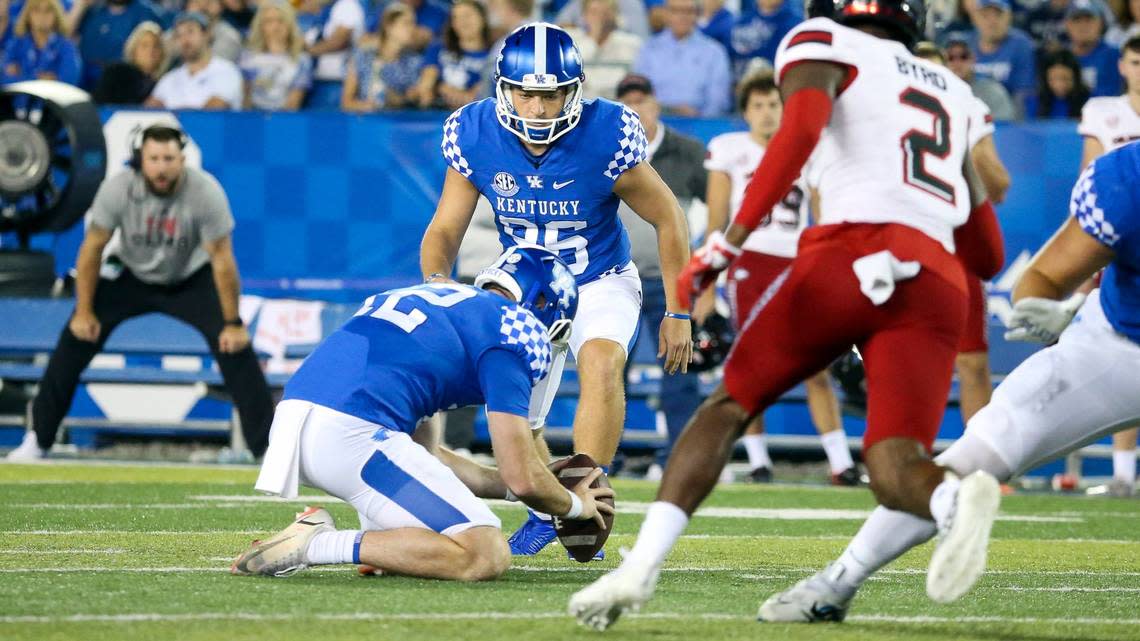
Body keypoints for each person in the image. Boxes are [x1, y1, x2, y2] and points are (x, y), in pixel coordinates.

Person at [569, 0, 1006, 628]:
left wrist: (725, 243)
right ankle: (950, 500)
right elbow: (987, 253)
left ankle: (637, 572)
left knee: (729, 404)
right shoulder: (954, 94)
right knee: (893, 466)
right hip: (935, 280)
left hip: (850, 252)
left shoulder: (824, 41)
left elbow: (799, 130)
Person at [752, 139, 1140, 623]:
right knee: (978, 455)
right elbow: (1040, 278)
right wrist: (1048, 309)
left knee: (972, 456)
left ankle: (836, 583)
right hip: (1120, 348)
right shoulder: (1129, 177)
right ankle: (838, 581)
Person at [419, 23, 692, 558]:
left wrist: (679, 309)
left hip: (600, 277)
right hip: (525, 281)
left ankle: (588, 500)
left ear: (575, 90)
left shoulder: (607, 131)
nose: (540, 108)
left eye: (552, 94)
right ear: (504, 88)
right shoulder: (473, 132)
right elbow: (445, 228)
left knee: (601, 361)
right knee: (522, 411)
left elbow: (670, 218)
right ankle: (547, 504)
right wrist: (436, 287)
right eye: (528, 93)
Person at [231, 246, 616, 581]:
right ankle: (316, 544)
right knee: (484, 552)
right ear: (547, 307)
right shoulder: (514, 329)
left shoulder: (440, 299)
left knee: (425, 546)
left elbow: (426, 454)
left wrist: (515, 485)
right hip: (353, 432)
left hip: (303, 418)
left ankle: (376, 546)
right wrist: (575, 505)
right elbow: (523, 475)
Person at [5, 125, 274, 462]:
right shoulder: (118, 189)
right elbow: (92, 250)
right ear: (139, 160)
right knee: (73, 340)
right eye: (154, 159)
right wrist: (85, 311)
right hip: (130, 275)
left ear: (182, 160)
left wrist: (233, 322)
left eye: (169, 158)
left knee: (236, 346)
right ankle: (38, 440)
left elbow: (222, 259)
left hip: (189, 276)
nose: (162, 167)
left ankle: (266, 450)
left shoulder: (206, 193)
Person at [702, 70, 857, 485]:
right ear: (745, 112)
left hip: (798, 261)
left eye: (774, 104)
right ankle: (757, 461)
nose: (767, 113)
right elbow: (717, 220)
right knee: (754, 361)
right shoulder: (728, 149)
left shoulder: (810, 149)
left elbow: (823, 217)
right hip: (750, 259)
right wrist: (706, 281)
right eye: (758, 105)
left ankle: (841, 463)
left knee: (817, 365)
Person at [612, 73, 707, 482]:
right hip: (615, 278)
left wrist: (702, 261)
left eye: (643, 101)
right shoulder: (607, 149)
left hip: (671, 279)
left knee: (679, 370)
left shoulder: (687, 152)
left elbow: (716, 207)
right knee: (607, 369)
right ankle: (603, 455)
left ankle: (679, 458)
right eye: (627, 103)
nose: (637, 110)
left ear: (656, 105)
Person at [915, 41, 1012, 429]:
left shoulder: (966, 106)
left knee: (971, 357)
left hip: (954, 234)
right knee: (901, 351)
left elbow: (997, 184)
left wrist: (975, 158)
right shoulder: (881, 102)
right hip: (906, 230)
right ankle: (901, 456)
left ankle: (980, 461)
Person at [1077, 34, 1140, 495]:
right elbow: (1090, 176)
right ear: (1122, 64)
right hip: (1121, 235)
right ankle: (1122, 472)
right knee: (1124, 349)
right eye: (1136, 61)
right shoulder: (1103, 109)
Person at [632, 0, 732, 116]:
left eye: (688, 11)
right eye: (675, 11)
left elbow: (718, 101)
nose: (682, 16)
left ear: (697, 15)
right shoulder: (648, 49)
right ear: (666, 14)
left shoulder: (715, 52)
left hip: (700, 123)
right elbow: (638, 92)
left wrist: (701, 119)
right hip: (655, 120)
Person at [144, 11, 242, 109]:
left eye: (190, 32)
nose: (185, 40)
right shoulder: (170, 78)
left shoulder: (226, 71)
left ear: (206, 34)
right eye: (179, 35)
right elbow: (148, 112)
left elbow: (213, 111)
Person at [341, 2, 424, 111]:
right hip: (365, 122)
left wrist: (400, 100)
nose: (413, 28)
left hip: (399, 123)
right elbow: (347, 102)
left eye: (414, 23)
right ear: (389, 26)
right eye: (406, 23)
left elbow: (419, 100)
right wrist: (369, 107)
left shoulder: (415, 61)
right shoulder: (362, 56)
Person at [68, 0, 165, 89]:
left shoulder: (145, 12)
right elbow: (65, 35)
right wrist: (80, 5)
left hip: (124, 80)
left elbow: (162, 44)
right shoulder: (93, 10)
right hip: (85, 76)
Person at [416, 0, 492, 110]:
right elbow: (426, 85)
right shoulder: (438, 48)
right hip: (436, 116)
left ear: (483, 18)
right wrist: (437, 88)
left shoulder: (494, 55)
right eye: (456, 17)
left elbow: (482, 96)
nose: (462, 22)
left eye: (467, 15)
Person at [240, 1, 313, 111]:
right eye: (269, 21)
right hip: (253, 119)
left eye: (281, 21)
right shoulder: (248, 57)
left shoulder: (302, 60)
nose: (275, 27)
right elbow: (245, 100)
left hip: (283, 120)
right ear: (261, 26)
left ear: (289, 25)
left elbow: (293, 104)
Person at [968, 0, 1036, 118]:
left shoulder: (1021, 45)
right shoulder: (966, 45)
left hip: (1008, 118)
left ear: (1009, 17)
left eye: (998, 15)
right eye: (985, 15)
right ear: (975, 19)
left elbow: (1023, 94)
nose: (992, 21)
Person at [563, 0, 642, 100]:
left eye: (604, 13)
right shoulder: (571, 38)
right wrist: (593, 38)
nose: (599, 18)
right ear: (584, 15)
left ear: (614, 15)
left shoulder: (630, 43)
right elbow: (571, 71)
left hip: (615, 102)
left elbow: (622, 81)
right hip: (579, 102)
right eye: (594, 12)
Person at [1, 0, 81, 85]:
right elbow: (3, 78)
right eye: (36, 10)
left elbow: (68, 83)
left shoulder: (66, 47)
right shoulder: (17, 43)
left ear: (56, 15)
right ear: (27, 15)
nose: (42, 16)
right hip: (16, 97)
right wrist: (40, 79)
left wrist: (21, 76)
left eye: (48, 10)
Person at [92, 20, 166, 104]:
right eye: (144, 45)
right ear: (134, 50)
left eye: (156, 45)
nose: (150, 51)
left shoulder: (165, 82)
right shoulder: (116, 73)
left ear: (162, 52)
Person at [944, 37, 1017, 121]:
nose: (957, 62)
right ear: (943, 62)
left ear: (973, 59)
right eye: (950, 57)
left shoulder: (991, 90)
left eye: (964, 57)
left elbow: (1004, 125)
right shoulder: (937, 90)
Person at [1066, 0, 1122, 98]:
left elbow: (1112, 96)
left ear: (1100, 23)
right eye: (1076, 20)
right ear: (1067, 25)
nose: (1083, 26)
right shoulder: (1060, 57)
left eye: (1089, 19)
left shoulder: (1114, 56)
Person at [1028, 48, 1091, 118]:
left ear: (1076, 78)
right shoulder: (1034, 102)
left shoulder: (1090, 102)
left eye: (1065, 78)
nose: (1059, 84)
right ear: (1045, 79)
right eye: (1053, 79)